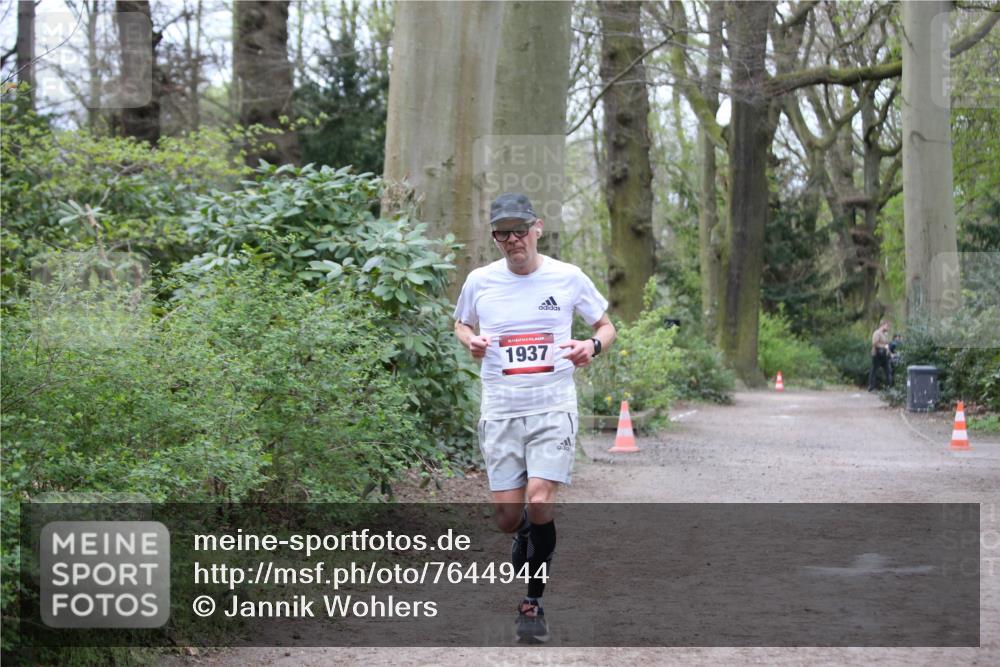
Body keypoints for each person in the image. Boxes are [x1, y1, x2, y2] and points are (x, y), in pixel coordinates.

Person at [453, 192, 616, 643]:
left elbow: (606, 325)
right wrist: (471, 341)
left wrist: (592, 346)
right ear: (494, 237)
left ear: (537, 228)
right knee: (508, 516)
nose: (511, 240)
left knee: (541, 498)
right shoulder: (480, 281)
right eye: (501, 233)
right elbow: (461, 323)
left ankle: (533, 600)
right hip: (501, 409)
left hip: (552, 406)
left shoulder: (567, 277)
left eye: (519, 231)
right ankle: (522, 530)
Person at [868, 320, 892, 391]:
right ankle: (871, 387)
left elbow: (887, 345)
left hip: (885, 355)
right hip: (877, 355)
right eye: (887, 326)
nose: (888, 327)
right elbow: (875, 343)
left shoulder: (885, 334)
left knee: (888, 371)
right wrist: (883, 346)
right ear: (883, 325)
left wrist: (890, 353)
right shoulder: (877, 333)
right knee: (874, 370)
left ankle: (888, 387)